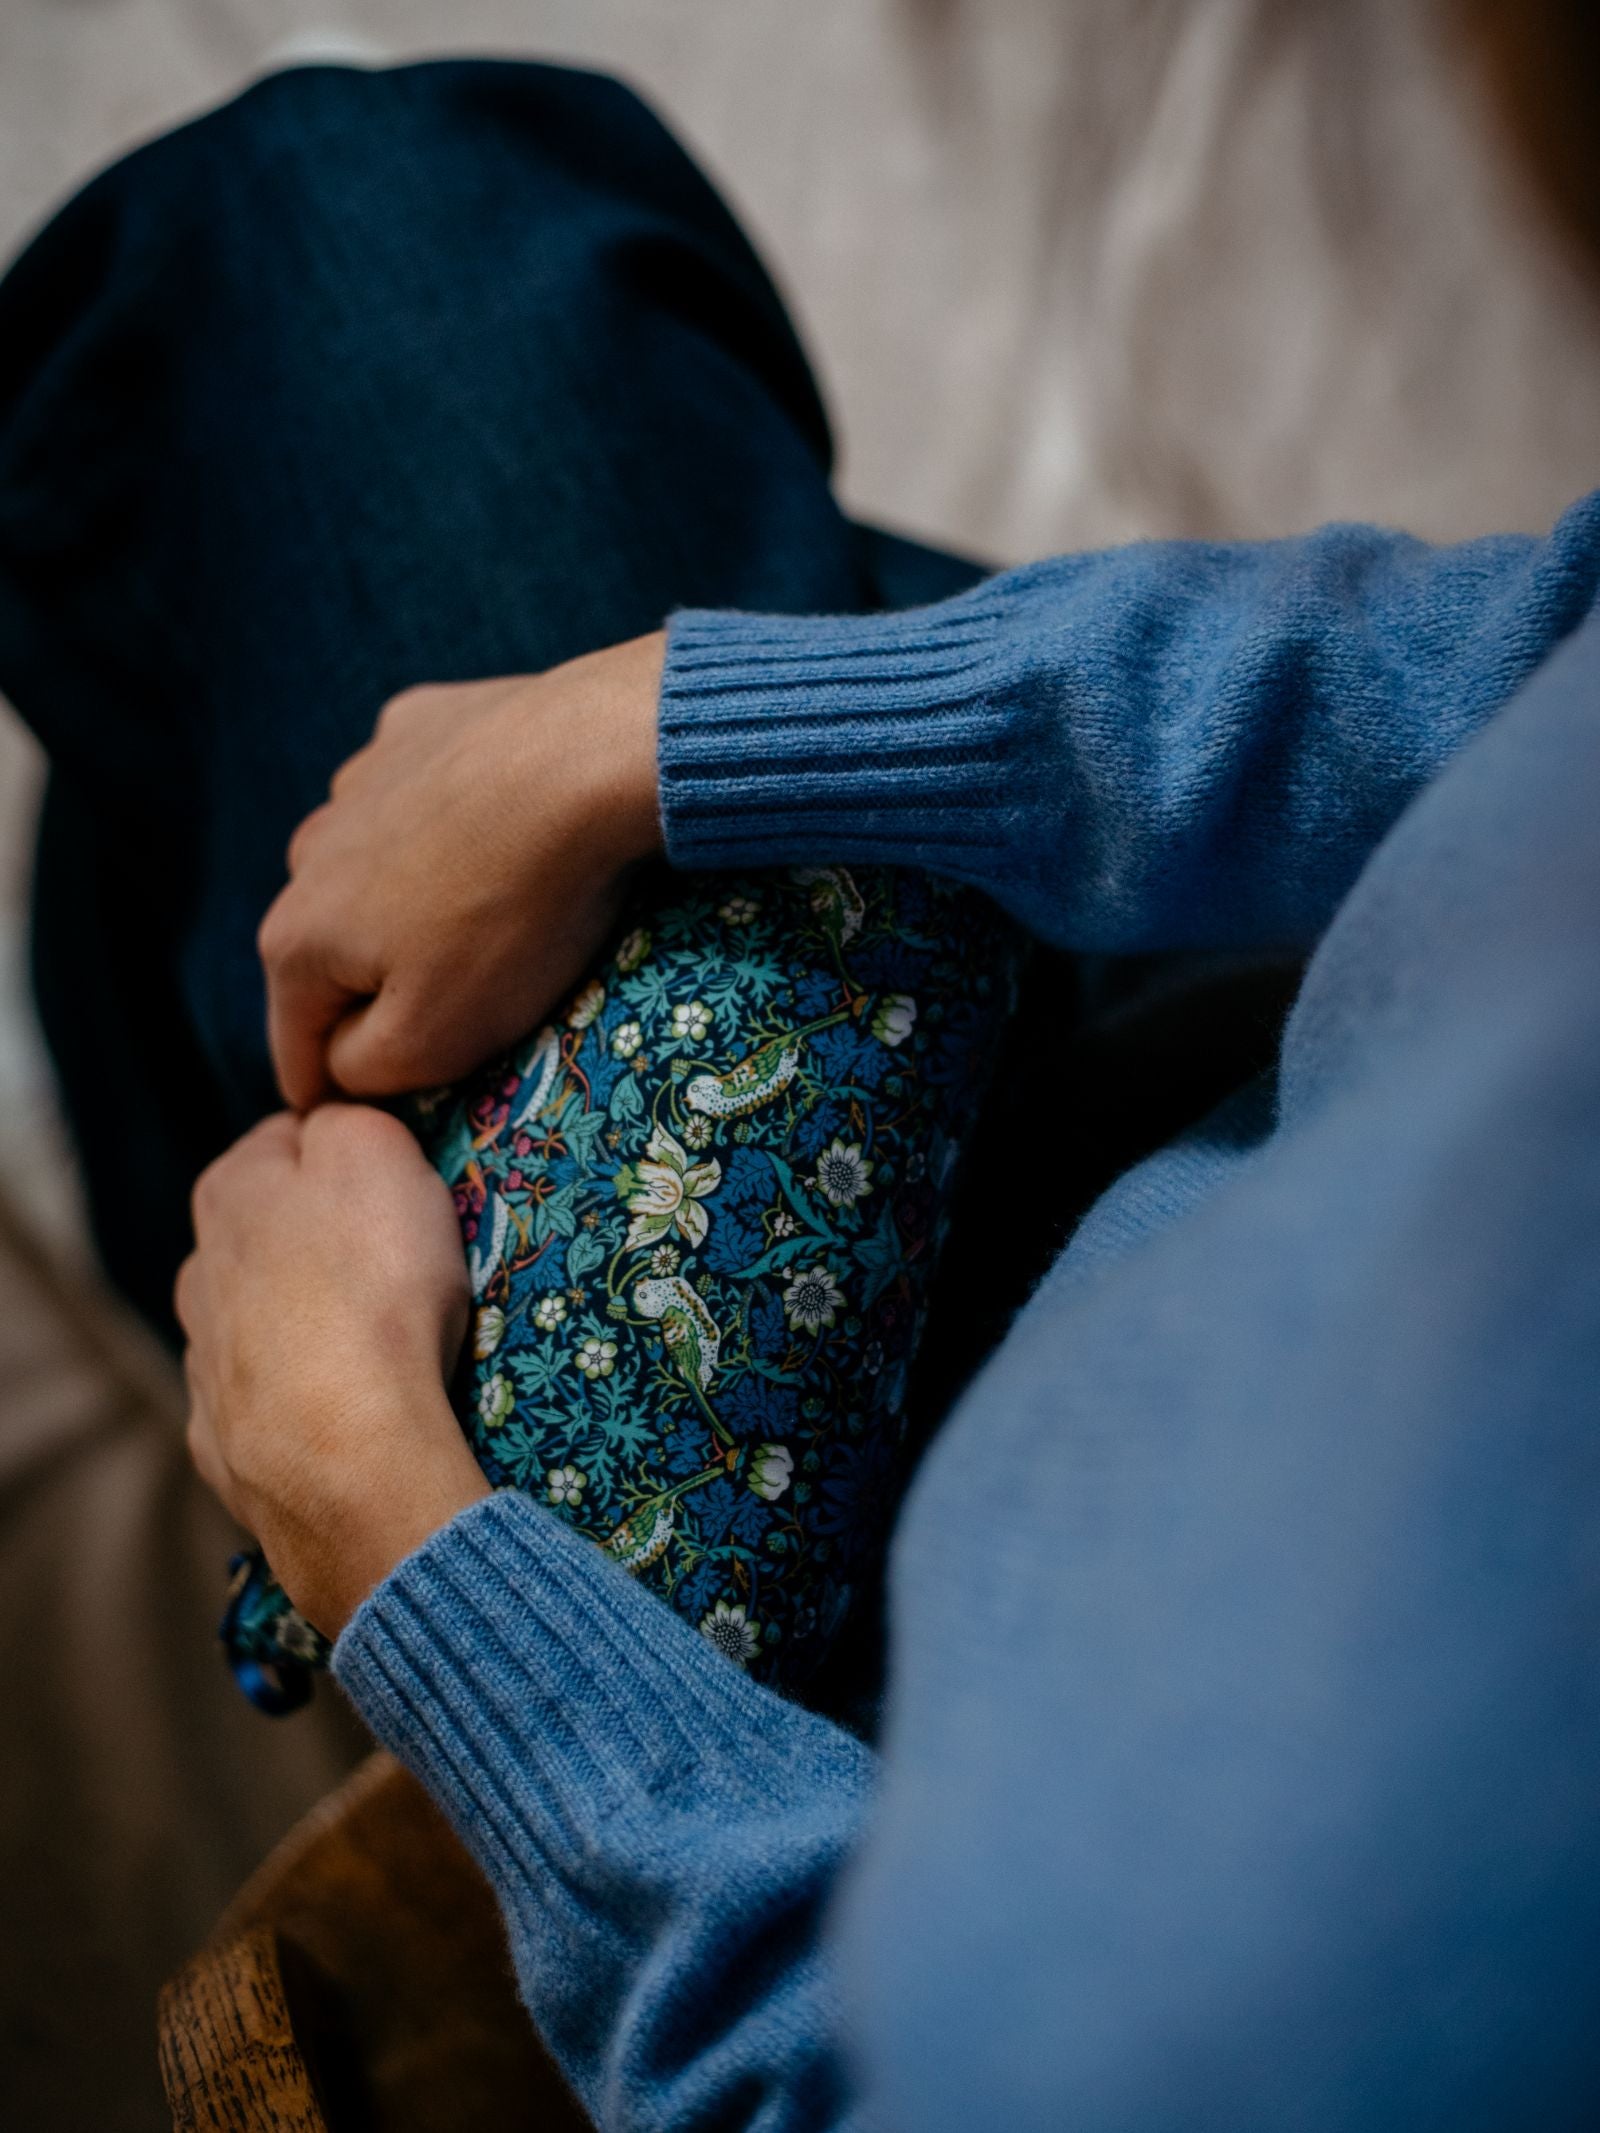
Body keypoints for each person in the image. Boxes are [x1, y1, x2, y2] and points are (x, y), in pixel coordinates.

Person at [1, 5, 1598, 2127]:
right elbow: (1525, 668)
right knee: (370, 270)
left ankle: (162, 1044)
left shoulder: (1351, 2000)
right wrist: (677, 729)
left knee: (308, 248)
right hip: (1286, 1036)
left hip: (871, 1736)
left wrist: (391, 1524)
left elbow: (840, 2067)